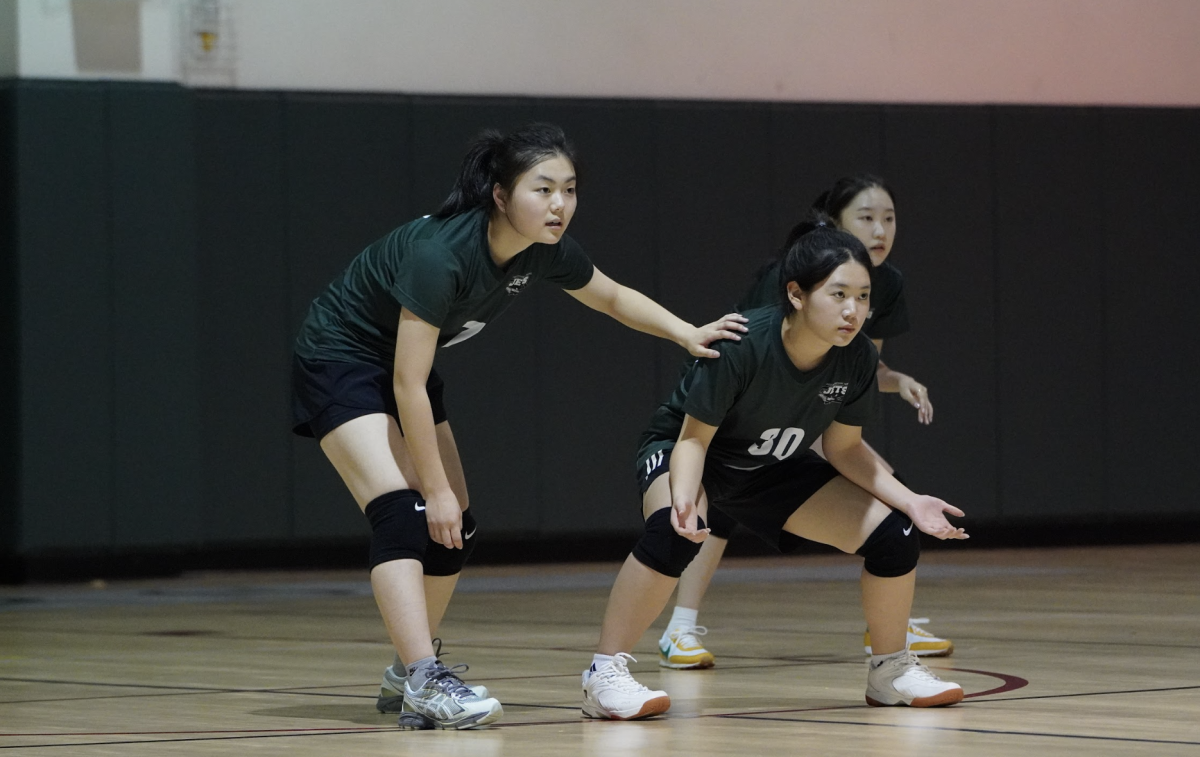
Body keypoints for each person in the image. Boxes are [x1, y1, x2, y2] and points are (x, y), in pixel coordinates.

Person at [291, 123, 747, 730]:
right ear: (500, 195)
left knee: (456, 527)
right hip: (341, 359)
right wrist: (435, 489)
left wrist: (684, 331)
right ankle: (425, 678)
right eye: (543, 189)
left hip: (405, 369)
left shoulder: (544, 250)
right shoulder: (441, 255)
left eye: (570, 189)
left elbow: (611, 296)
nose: (560, 204)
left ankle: (406, 670)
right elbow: (405, 383)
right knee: (409, 513)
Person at [581, 225, 968, 720]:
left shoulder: (857, 358)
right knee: (673, 534)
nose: (854, 310)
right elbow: (694, 440)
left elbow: (844, 449)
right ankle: (603, 673)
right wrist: (683, 499)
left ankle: (890, 671)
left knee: (897, 534)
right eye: (839, 294)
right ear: (797, 294)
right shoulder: (741, 341)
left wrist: (909, 499)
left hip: (769, 467)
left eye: (864, 296)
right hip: (690, 451)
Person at [658, 175, 953, 671]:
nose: (880, 230)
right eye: (866, 218)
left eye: (889, 218)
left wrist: (894, 378)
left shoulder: (886, 283)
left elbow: (854, 362)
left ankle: (889, 632)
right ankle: (678, 628)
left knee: (890, 510)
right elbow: (754, 352)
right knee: (713, 506)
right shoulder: (786, 279)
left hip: (809, 412)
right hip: (745, 410)